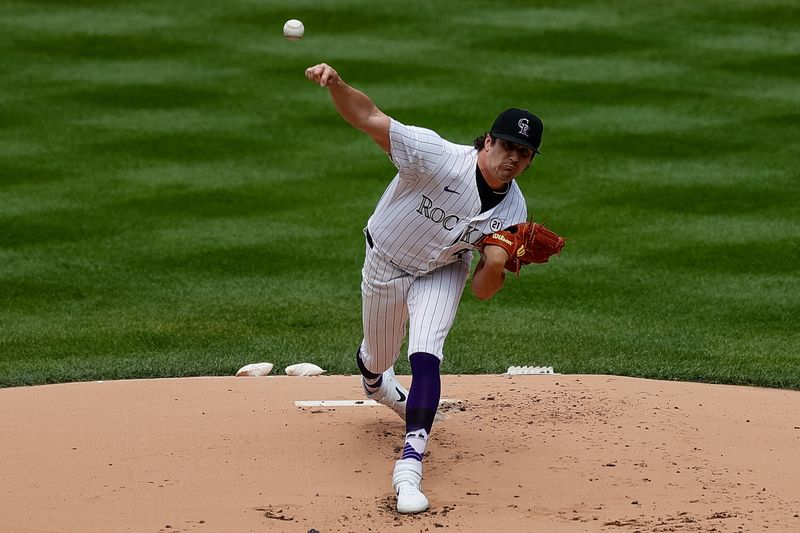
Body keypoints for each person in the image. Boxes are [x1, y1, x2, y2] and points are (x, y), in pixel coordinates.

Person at [304, 63, 544, 514]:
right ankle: (378, 381)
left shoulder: (514, 208)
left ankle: (409, 465)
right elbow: (370, 117)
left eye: (525, 153)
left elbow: (483, 292)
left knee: (427, 352)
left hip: (443, 270)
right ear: (488, 141)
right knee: (376, 368)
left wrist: (496, 261)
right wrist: (337, 85)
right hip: (386, 264)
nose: (514, 158)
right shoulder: (434, 155)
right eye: (508, 146)